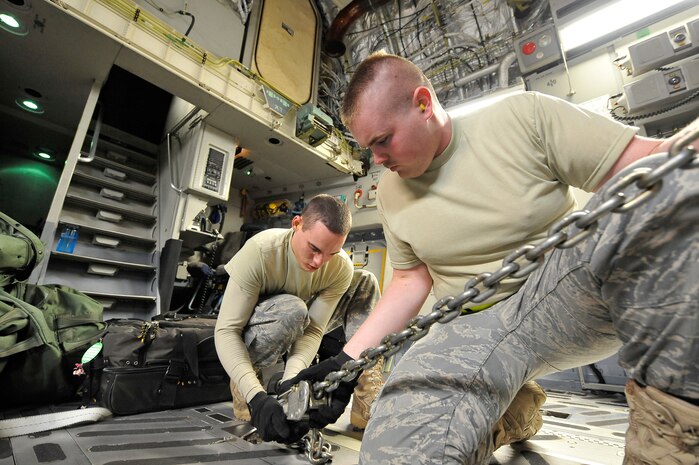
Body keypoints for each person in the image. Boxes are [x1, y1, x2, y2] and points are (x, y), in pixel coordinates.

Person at [282, 51, 699, 464]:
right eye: (368, 148)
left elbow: (652, 165)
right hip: (472, 327)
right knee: (396, 450)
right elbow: (410, 282)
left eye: (382, 141)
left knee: (675, 186)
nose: (377, 160)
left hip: (568, 295)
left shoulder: (523, 118)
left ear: (423, 104)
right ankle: (510, 411)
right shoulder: (390, 194)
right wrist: (345, 362)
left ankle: (669, 446)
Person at [214, 193, 382, 444]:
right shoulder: (261, 251)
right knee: (293, 309)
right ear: (296, 225)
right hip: (263, 324)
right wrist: (257, 397)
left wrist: (293, 381)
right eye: (314, 248)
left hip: (301, 317)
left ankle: (365, 395)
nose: (320, 261)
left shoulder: (338, 267)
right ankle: (246, 388)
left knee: (365, 280)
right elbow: (226, 331)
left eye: (331, 253)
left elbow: (313, 330)